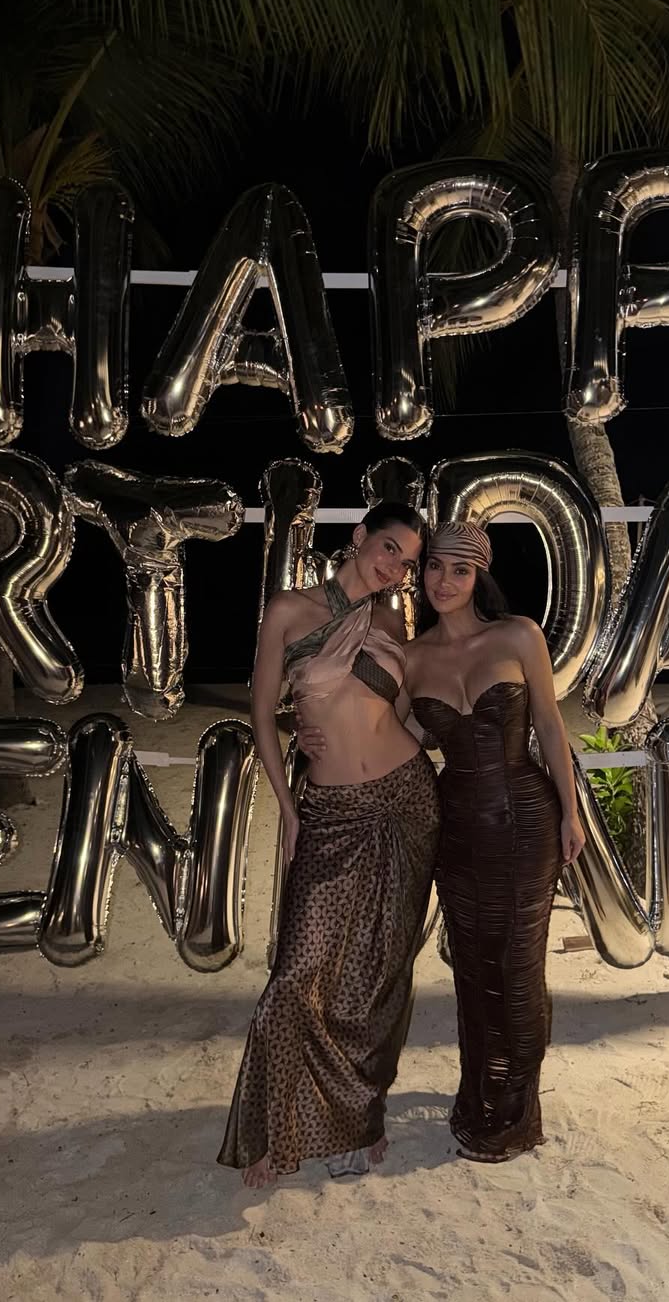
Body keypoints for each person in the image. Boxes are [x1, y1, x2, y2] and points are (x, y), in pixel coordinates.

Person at [299, 520, 585, 1163]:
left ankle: (516, 1106)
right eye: (434, 568)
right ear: (421, 576)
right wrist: (314, 734)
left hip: (524, 819)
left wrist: (572, 812)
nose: (444, 580)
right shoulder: (415, 655)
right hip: (452, 826)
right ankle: (479, 1096)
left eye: (460, 569)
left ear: (479, 574)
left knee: (516, 965)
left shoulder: (518, 635)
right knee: (472, 969)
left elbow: (548, 724)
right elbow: (384, 732)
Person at [218, 503, 441, 1188]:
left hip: (408, 801)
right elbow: (261, 711)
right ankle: (266, 1132)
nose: (393, 566)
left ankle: (358, 1118)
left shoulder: (389, 619)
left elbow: (396, 711)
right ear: (357, 538)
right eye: (387, 548)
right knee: (296, 975)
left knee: (379, 974)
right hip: (333, 812)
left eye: (405, 561)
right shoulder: (289, 610)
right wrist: (287, 806)